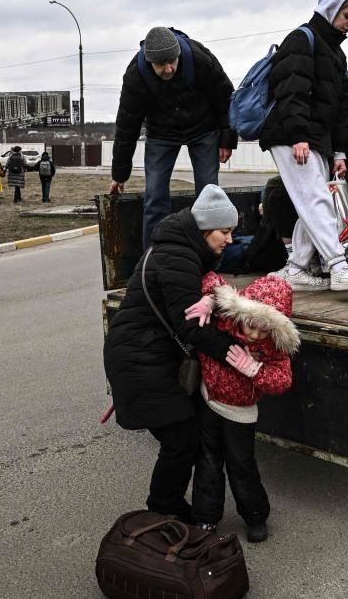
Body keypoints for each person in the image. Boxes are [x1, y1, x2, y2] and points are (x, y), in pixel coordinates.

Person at [104, 184, 248, 522]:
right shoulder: (178, 256)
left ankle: (167, 504)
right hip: (139, 360)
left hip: (147, 354)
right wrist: (236, 351)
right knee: (181, 440)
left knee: (186, 438)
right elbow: (190, 327)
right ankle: (163, 508)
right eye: (224, 232)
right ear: (204, 229)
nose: (228, 239)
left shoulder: (181, 250)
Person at [258, 0, 348, 292]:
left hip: (314, 138)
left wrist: (339, 152)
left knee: (310, 202)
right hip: (292, 136)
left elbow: (340, 108)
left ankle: (297, 268)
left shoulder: (336, 54)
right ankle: (339, 266)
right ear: (330, 9)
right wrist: (298, 135)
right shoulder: (302, 40)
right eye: (347, 15)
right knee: (316, 199)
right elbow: (291, 90)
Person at [184, 273, 299, 543]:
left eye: (263, 329)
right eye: (251, 325)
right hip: (208, 399)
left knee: (241, 466)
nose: (254, 334)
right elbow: (211, 279)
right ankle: (205, 517)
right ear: (242, 311)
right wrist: (210, 301)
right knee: (208, 461)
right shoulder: (226, 320)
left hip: (241, 413)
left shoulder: (272, 347)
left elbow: (282, 379)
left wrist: (255, 370)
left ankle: (255, 516)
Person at [109, 26, 238, 248]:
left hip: (204, 128)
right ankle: (153, 256)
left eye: (173, 61)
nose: (169, 68)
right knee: (155, 195)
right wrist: (119, 174)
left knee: (208, 194)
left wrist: (227, 138)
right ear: (150, 62)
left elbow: (225, 96)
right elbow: (126, 125)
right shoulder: (136, 76)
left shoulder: (198, 58)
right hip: (162, 133)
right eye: (162, 64)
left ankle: (207, 257)